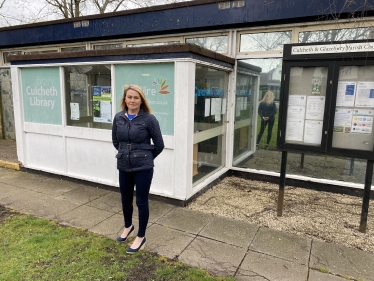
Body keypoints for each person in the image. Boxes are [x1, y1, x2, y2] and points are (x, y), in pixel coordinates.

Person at [112, 84, 164, 254]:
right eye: (129, 97)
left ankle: (141, 236)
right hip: (124, 165)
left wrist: (145, 157)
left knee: (141, 202)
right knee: (125, 199)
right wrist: (126, 155)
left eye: (136, 97)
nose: (132, 100)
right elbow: (116, 142)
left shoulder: (149, 119)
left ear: (141, 100)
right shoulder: (118, 117)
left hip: (143, 167)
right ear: (125, 99)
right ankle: (128, 226)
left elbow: (159, 145)